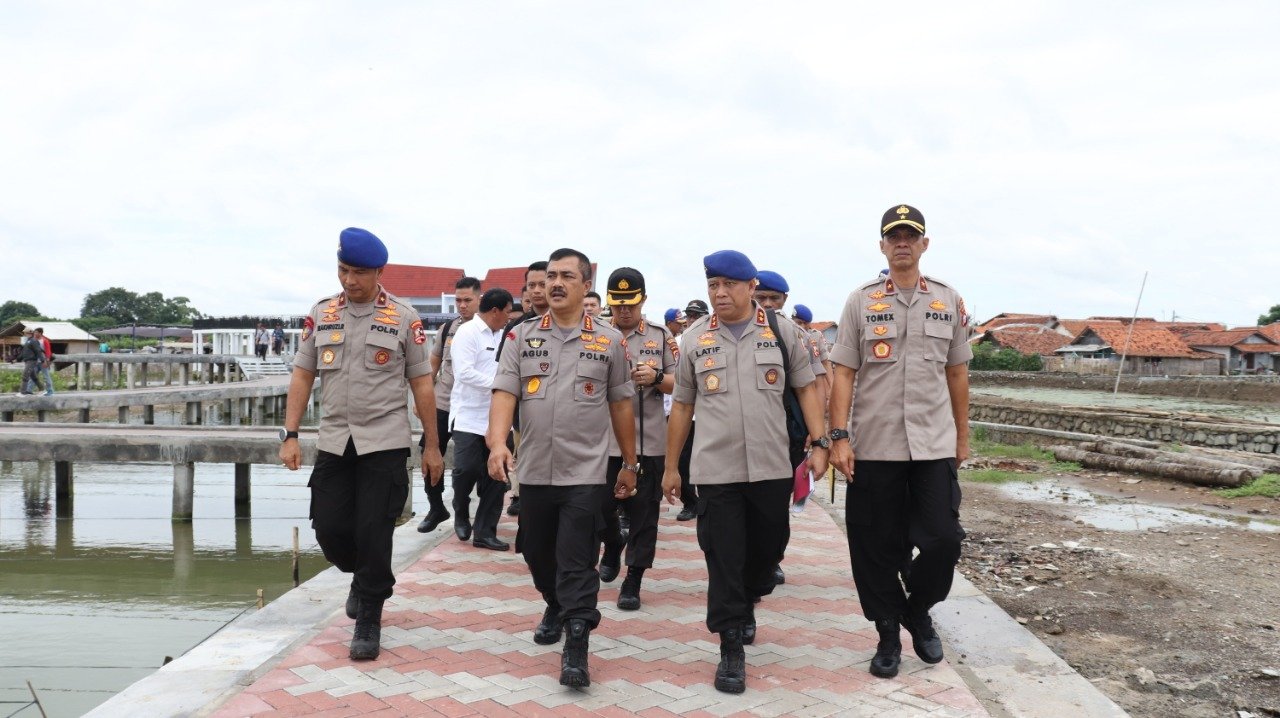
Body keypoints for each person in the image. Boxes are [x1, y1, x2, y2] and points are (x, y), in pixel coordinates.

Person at [662, 250, 829, 694]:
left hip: (771, 466)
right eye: (713, 285)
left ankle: (750, 596)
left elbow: (807, 388)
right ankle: (730, 646)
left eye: (728, 285)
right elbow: (682, 405)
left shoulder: (782, 332)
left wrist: (820, 442)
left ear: (750, 287)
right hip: (716, 471)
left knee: (768, 550)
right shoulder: (695, 339)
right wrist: (671, 467)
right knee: (723, 557)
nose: (719, 293)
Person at [279, 227, 445, 661]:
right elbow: (302, 373)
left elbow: (422, 384)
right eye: (343, 270)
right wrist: (291, 435)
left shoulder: (404, 317)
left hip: (385, 442)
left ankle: (369, 616)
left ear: (378, 273)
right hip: (335, 440)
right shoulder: (322, 313)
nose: (349, 280)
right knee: (330, 529)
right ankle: (361, 577)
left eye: (358, 272)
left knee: (375, 531)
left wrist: (431, 445)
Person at [827, 204, 972, 679]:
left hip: (933, 444)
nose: (903, 243)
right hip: (874, 445)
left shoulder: (948, 300)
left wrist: (962, 437)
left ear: (925, 244)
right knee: (874, 547)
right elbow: (843, 372)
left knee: (943, 541)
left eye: (911, 235)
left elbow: (957, 372)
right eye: (895, 236)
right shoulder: (860, 301)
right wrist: (839, 437)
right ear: (883, 246)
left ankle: (919, 608)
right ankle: (888, 631)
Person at [487, 248, 638, 688]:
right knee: (536, 553)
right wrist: (497, 443)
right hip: (533, 470)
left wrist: (629, 464)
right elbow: (504, 394)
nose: (555, 283)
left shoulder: (609, 340)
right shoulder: (520, 337)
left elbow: (621, 405)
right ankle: (553, 602)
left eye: (566, 276)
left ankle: (576, 643)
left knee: (575, 560)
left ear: (586, 284)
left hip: (586, 473)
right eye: (550, 275)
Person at [596, 267, 677, 610]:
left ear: (643, 300)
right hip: (602, 440)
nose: (624, 311)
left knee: (645, 514)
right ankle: (613, 544)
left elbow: (684, 385)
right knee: (599, 510)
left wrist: (657, 376)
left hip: (648, 440)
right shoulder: (595, 334)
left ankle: (634, 580)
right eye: (617, 304)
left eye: (630, 303)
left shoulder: (659, 337)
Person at [448, 288, 514, 550]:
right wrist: (501, 385)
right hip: (468, 415)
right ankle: (460, 507)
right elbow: (464, 373)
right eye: (507, 312)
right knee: (466, 469)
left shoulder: (506, 336)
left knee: (497, 477)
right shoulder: (467, 332)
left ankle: (485, 532)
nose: (509, 317)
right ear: (495, 311)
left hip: (499, 417)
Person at [416, 276, 481, 534]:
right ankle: (436, 508)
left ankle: (462, 514)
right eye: (458, 300)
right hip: (443, 402)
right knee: (428, 452)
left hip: (470, 406)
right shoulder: (447, 329)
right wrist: (424, 399)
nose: (462, 305)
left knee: (467, 467)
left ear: (480, 299)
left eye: (467, 300)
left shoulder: (490, 328)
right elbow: (433, 364)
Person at [499, 261, 550, 518]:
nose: (538, 290)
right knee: (523, 459)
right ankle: (520, 497)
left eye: (544, 283)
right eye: (532, 285)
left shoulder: (577, 327)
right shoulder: (517, 330)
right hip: (525, 415)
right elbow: (504, 380)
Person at [673, 299, 708, 521]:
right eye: (689, 316)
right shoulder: (677, 342)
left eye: (697, 315)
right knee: (681, 461)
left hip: (704, 414)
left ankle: (706, 501)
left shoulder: (711, 340)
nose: (692, 320)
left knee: (705, 460)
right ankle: (690, 502)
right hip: (682, 412)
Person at [18, 329, 43, 395]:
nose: (24, 334)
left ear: (29, 333)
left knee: (25, 375)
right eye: (24, 333)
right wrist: (17, 359)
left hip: (31, 361)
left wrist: (42, 360)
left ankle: (23, 392)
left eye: (25, 333)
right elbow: (23, 352)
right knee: (33, 377)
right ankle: (42, 388)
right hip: (27, 361)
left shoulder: (34, 341)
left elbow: (38, 351)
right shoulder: (28, 341)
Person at [34, 327, 54, 396]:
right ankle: (28, 390)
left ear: (40, 333)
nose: (35, 333)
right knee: (33, 376)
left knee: (46, 377)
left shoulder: (44, 341)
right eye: (34, 332)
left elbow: (48, 351)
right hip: (36, 362)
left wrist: (47, 361)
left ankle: (50, 391)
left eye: (36, 332)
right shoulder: (34, 340)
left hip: (43, 362)